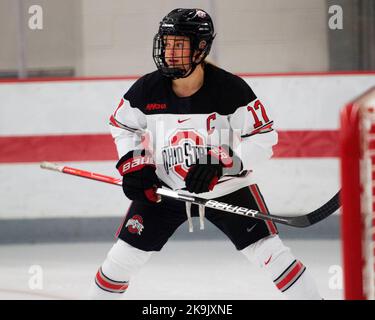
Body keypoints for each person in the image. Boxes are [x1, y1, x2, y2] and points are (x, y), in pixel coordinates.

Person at [88, 8, 321, 300]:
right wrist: (135, 163)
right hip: (165, 189)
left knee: (272, 256)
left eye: (178, 44)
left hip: (225, 188)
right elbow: (122, 126)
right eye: (166, 43)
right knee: (120, 262)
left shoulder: (230, 89)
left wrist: (221, 163)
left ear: (200, 48)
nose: (169, 52)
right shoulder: (147, 89)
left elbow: (263, 138)